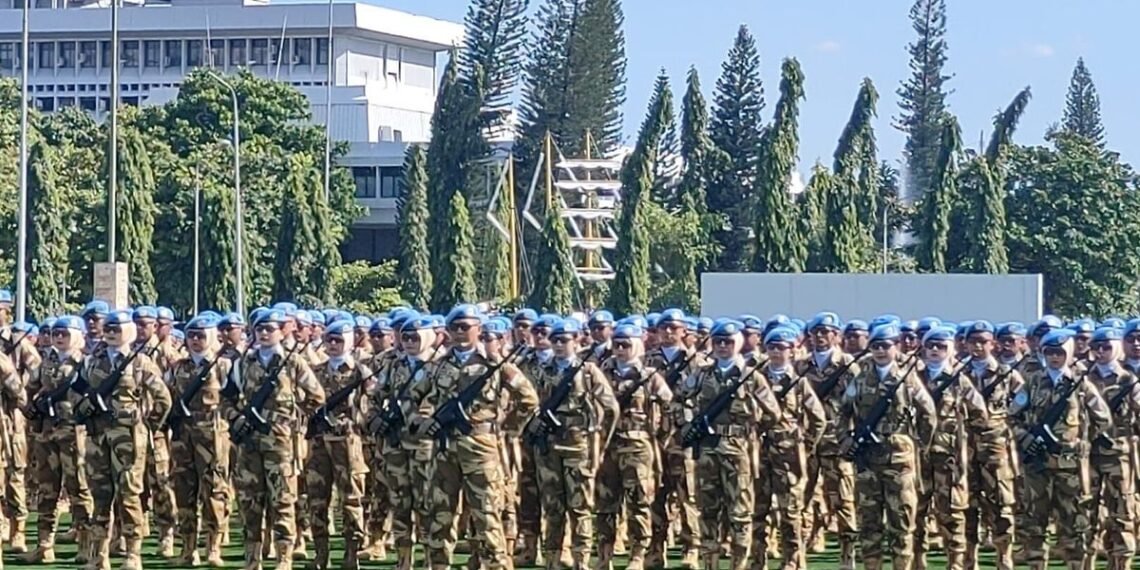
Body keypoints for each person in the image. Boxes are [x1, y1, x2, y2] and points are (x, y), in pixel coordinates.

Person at [415, 304, 538, 570]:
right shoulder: (437, 365)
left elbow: (528, 399)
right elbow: (410, 397)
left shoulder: (495, 364)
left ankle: (495, 565)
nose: (460, 332)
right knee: (441, 515)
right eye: (454, 328)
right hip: (445, 448)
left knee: (487, 515)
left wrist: (506, 427)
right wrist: (423, 423)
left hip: (481, 448)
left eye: (465, 327)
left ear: (478, 329)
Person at [224, 309, 324, 570]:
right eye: (260, 329)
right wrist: (235, 417)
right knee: (249, 500)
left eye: (270, 329)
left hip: (280, 443)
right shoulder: (244, 362)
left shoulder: (292, 361)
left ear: (282, 331)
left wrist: (292, 418)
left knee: (282, 499)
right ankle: (253, 558)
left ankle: (284, 558)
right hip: (249, 442)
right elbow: (226, 397)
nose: (265, 333)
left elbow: (316, 396)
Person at [1013, 329, 1113, 569]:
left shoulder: (1080, 384)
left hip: (1069, 467)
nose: (1054, 358)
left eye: (1059, 352)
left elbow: (1103, 418)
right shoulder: (1033, 382)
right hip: (1037, 466)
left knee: (1073, 524)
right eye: (1050, 352)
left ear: (1068, 353)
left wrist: (1083, 442)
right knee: (1035, 523)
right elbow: (1012, 417)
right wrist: (1026, 439)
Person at [841, 323, 936, 570]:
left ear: (896, 346)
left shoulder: (907, 377)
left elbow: (929, 413)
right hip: (867, 460)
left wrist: (919, 444)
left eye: (885, 346)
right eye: (875, 346)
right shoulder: (860, 378)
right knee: (869, 523)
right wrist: (846, 438)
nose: (881, 351)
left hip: (899, 459)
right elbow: (843, 411)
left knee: (902, 522)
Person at [79, 309, 169, 570]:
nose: (110, 333)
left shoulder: (139, 362)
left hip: (128, 438)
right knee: (100, 496)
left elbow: (163, 398)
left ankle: (132, 554)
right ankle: (100, 555)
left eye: (116, 329)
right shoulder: (93, 361)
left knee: (129, 495)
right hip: (98, 437)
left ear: (128, 332)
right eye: (108, 328)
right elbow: (81, 391)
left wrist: (147, 425)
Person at [526, 318, 618, 570]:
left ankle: (581, 559)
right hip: (548, 447)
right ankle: (553, 558)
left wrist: (599, 438)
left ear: (576, 341)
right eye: (554, 340)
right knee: (552, 506)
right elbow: (526, 403)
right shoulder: (542, 370)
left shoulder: (587, 371)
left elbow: (610, 408)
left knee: (580, 506)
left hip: (578, 445)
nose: (557, 345)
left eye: (563, 340)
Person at [596, 323, 670, 570]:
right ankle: (604, 555)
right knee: (606, 503)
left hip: (638, 445)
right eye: (616, 344)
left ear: (637, 345)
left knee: (639, 502)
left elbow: (671, 407)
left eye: (625, 345)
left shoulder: (649, 376)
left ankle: (637, 555)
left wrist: (660, 437)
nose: (619, 349)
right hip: (608, 445)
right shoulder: (602, 372)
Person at [753, 326, 826, 570]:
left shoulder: (798, 383)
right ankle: (758, 558)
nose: (775, 352)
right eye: (771, 347)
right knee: (757, 507)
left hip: (789, 453)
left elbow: (818, 419)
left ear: (792, 351)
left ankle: (792, 560)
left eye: (781, 348)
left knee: (790, 510)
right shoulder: (755, 377)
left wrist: (805, 445)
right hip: (759, 450)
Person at [168, 314, 233, 568]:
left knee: (214, 491)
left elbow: (233, 400)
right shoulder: (178, 367)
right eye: (191, 336)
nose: (195, 340)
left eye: (200, 335)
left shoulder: (223, 366)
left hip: (213, 436)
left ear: (213, 337)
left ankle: (213, 547)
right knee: (184, 492)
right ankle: (187, 548)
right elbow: (168, 398)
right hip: (183, 436)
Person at [305, 320, 371, 570]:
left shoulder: (360, 373)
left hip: (348, 443)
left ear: (350, 341)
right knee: (317, 500)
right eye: (329, 340)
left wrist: (347, 419)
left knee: (352, 499)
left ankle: (351, 553)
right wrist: (317, 416)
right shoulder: (316, 371)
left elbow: (368, 408)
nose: (333, 345)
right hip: (320, 443)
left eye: (339, 340)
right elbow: (304, 401)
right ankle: (321, 554)